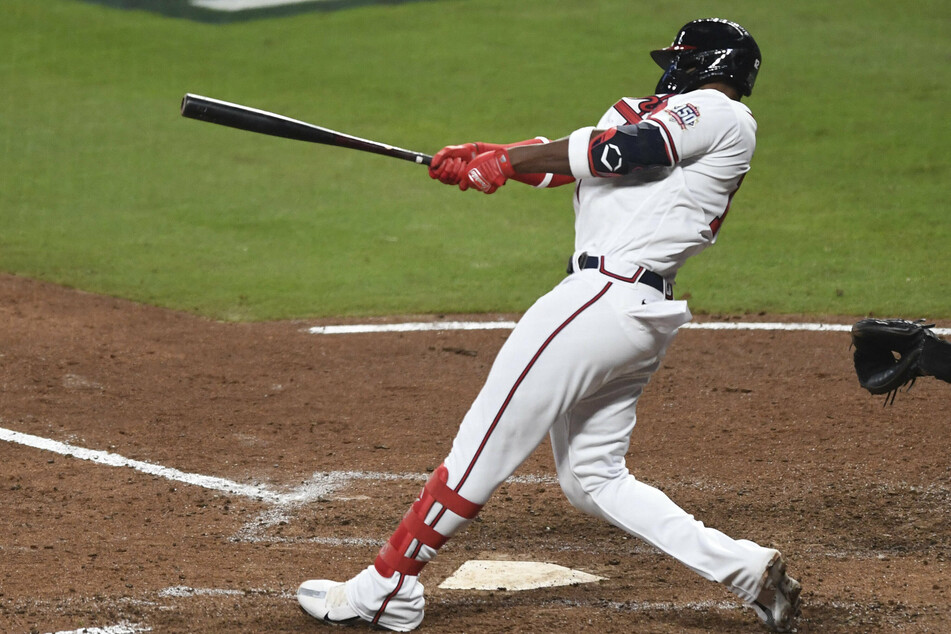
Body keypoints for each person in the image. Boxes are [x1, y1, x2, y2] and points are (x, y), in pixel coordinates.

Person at [298, 18, 802, 633]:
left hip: (602, 299)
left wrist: (509, 161)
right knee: (593, 478)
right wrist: (492, 156)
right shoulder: (680, 118)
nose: (669, 68)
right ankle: (748, 570)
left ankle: (386, 587)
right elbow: (584, 162)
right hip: (628, 310)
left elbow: (621, 151)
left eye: (680, 57)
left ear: (706, 63)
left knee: (482, 443)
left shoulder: (718, 113)